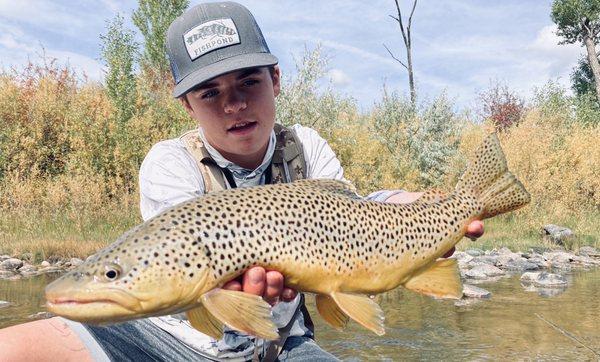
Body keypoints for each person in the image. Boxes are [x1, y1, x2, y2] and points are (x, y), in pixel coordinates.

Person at [0, 2, 484, 361]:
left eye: (247, 82)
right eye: (210, 93)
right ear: (187, 106)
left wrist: (420, 204)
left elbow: (358, 209)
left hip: (286, 347)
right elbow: (189, 289)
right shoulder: (171, 164)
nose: (233, 104)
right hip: (179, 346)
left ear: (275, 79)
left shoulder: (306, 146)